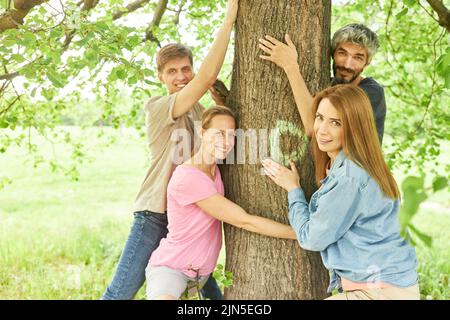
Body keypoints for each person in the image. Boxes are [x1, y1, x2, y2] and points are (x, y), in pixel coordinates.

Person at [102, 0, 239, 300]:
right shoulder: (158, 107)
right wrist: (230, 18)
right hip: (155, 214)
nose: (180, 77)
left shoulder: (198, 111)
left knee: (207, 289)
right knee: (121, 291)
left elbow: (219, 139)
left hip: (189, 215)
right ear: (160, 77)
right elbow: (204, 80)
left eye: (186, 69)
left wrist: (221, 98)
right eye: (172, 71)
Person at [261, 85, 419, 300]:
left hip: (382, 291)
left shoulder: (350, 176)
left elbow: (312, 239)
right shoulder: (351, 163)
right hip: (385, 284)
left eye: (335, 123)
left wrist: (293, 189)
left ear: (355, 127)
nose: (322, 130)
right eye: (319, 117)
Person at [146, 106, 297, 300]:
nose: (226, 143)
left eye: (232, 135)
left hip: (201, 277)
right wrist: (299, 233)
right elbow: (244, 221)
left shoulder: (214, 168)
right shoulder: (189, 178)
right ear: (201, 132)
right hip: (172, 269)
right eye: (219, 134)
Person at [258, 23, 386, 144]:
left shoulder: (370, 92)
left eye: (358, 57)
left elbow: (315, 129)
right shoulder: (329, 85)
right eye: (342, 53)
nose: (347, 65)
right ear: (332, 54)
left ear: (367, 62)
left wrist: (290, 66)